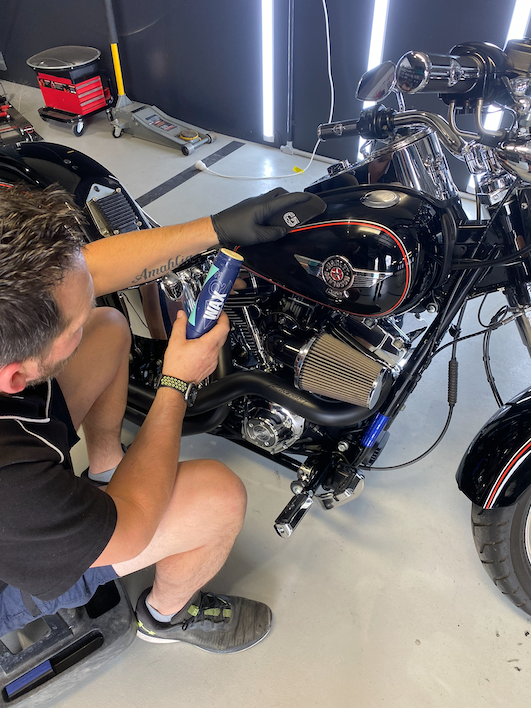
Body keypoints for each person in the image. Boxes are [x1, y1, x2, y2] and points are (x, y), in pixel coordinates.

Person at [0, 182, 314, 654]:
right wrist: (177, 383)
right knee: (218, 496)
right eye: (73, 322)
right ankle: (166, 616)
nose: (87, 312)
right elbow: (133, 530)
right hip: (13, 574)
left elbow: (94, 269)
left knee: (107, 331)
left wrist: (217, 228)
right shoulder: (15, 488)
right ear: (15, 376)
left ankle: (106, 469)